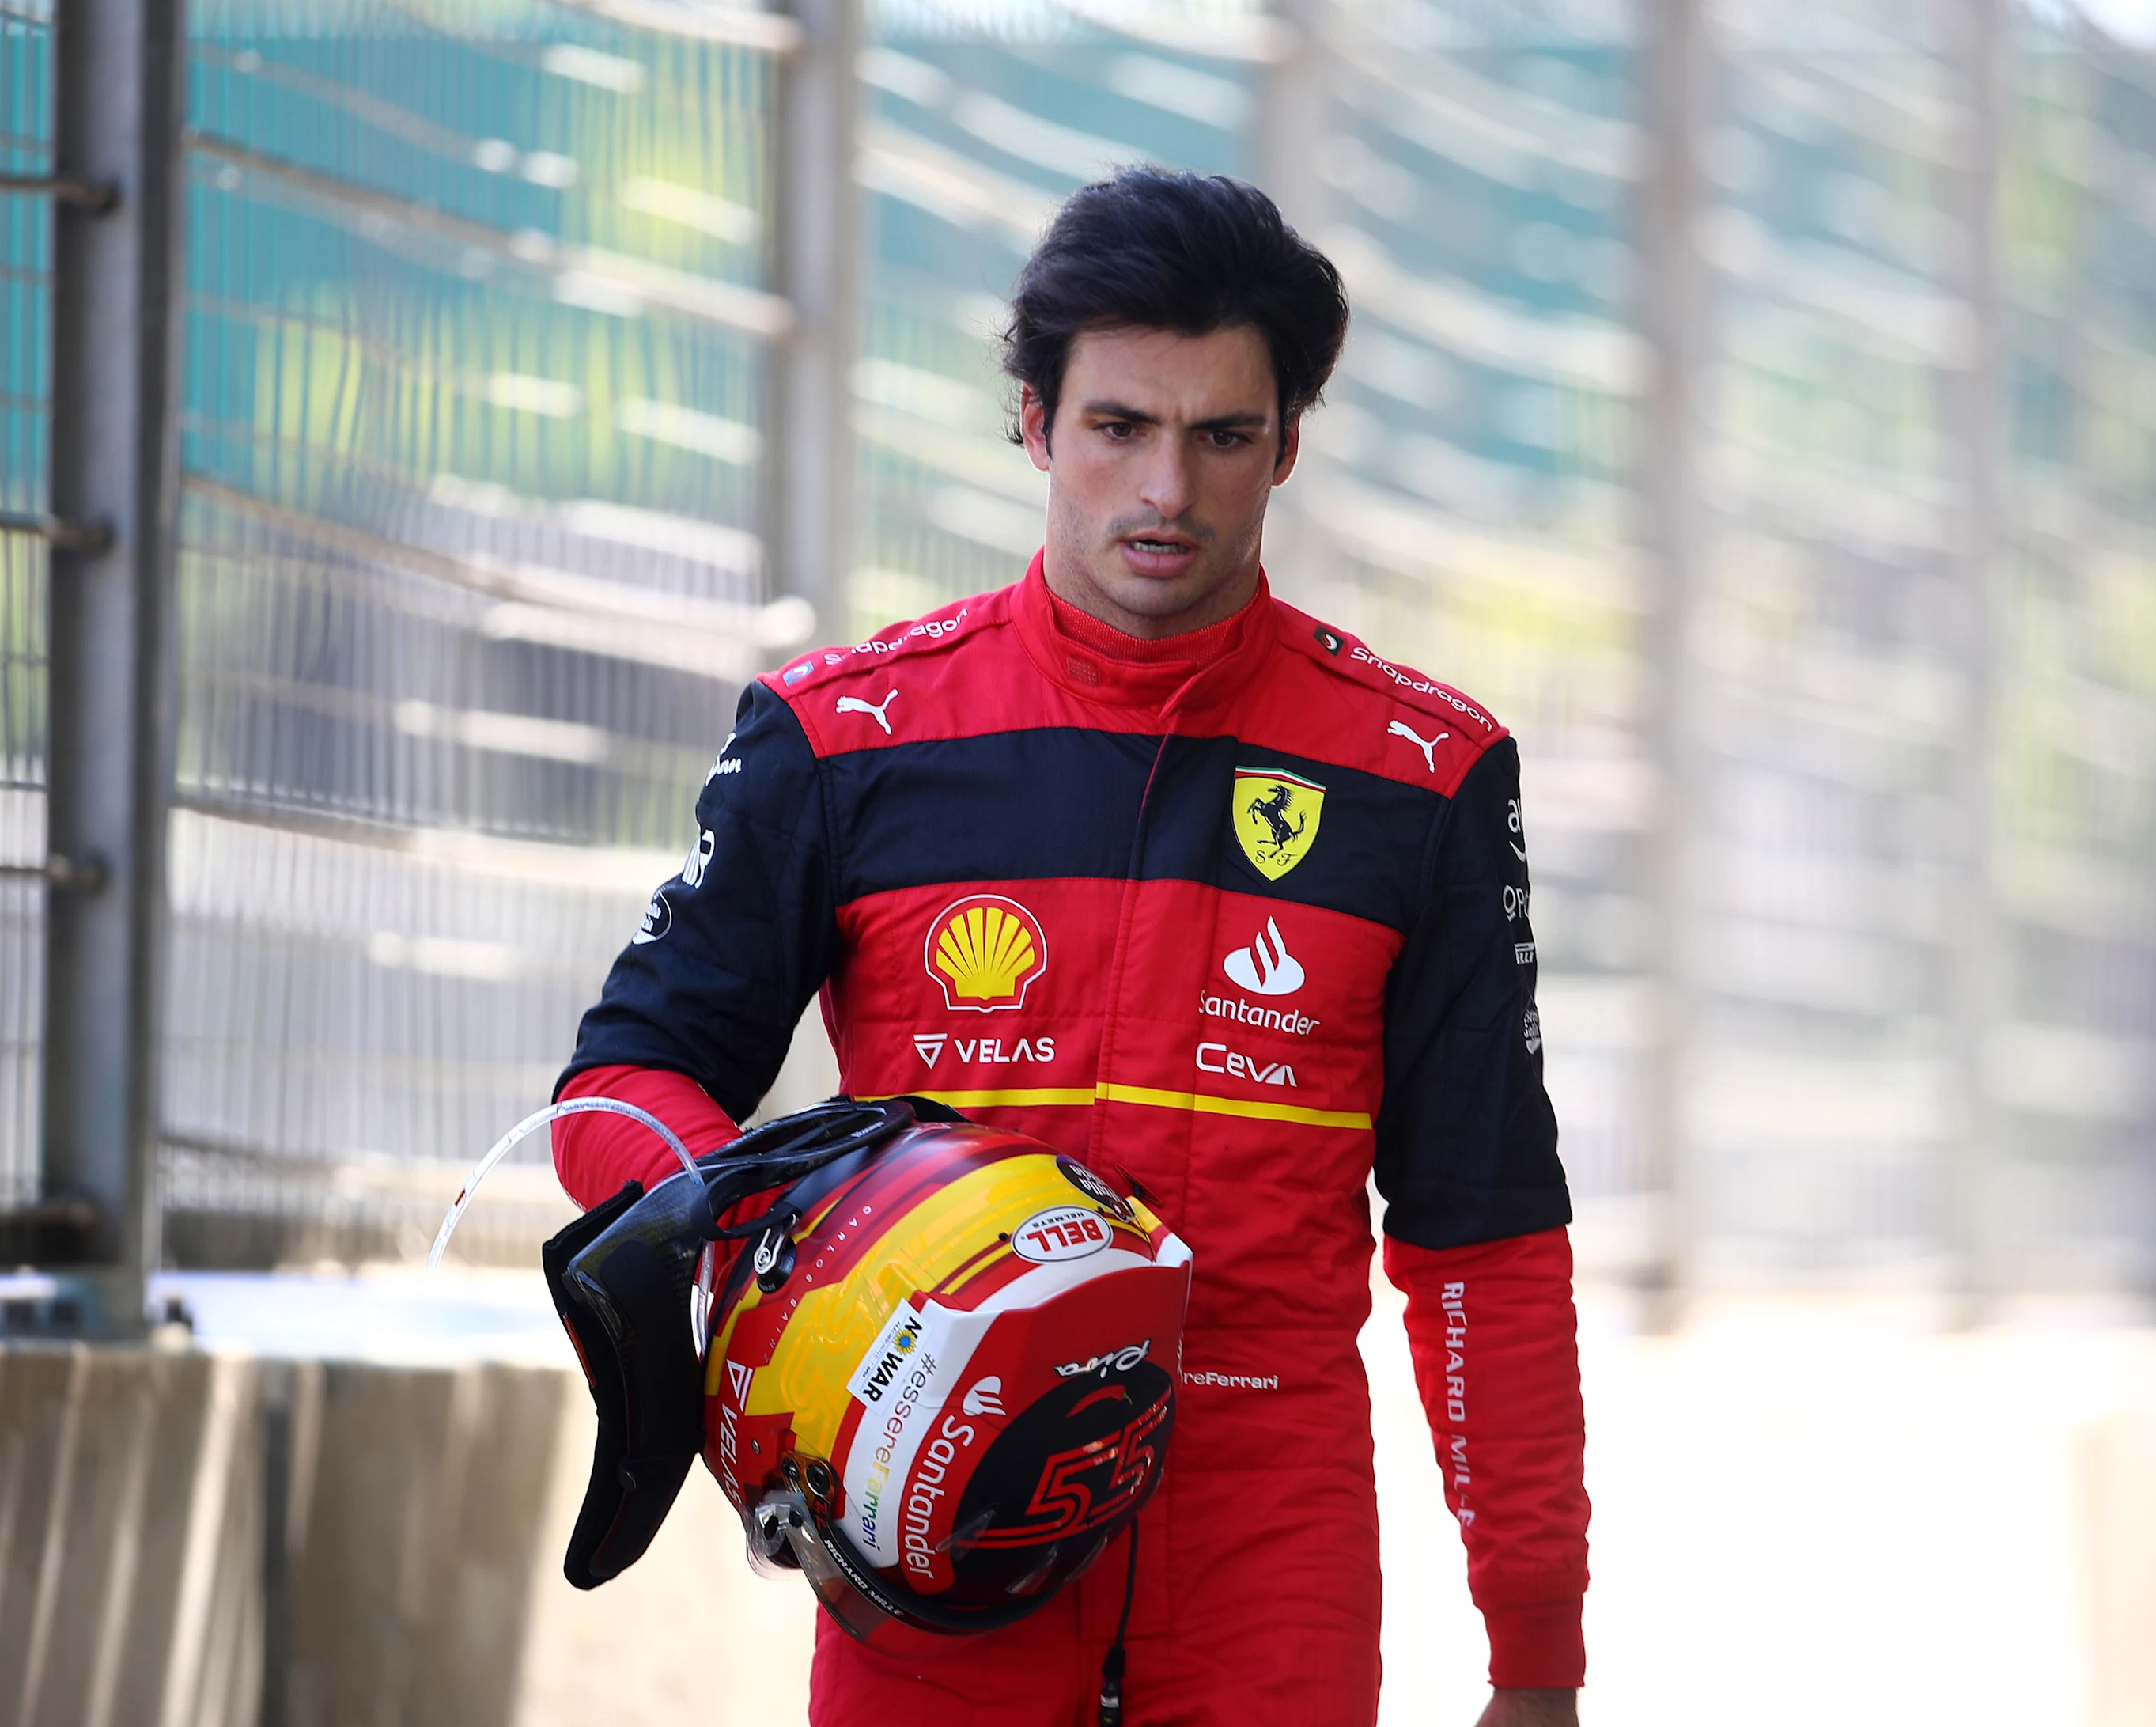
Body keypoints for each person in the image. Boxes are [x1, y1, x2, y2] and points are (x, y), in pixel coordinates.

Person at [553, 167, 1587, 1727]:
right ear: (1034, 423)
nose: (1164, 487)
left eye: (1221, 434)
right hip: (917, 1532)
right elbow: (615, 1088)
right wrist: (786, 1236)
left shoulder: (1420, 777)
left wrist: (1535, 1644)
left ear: (1287, 445)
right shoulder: (843, 739)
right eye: (1117, 425)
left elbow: (1482, 1241)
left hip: (1266, 1548)